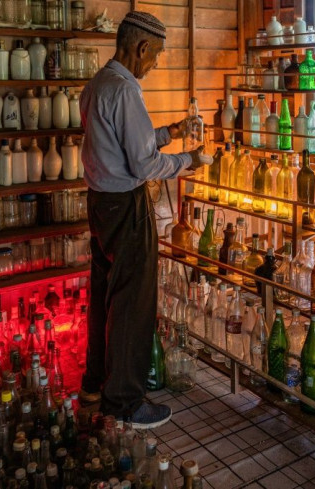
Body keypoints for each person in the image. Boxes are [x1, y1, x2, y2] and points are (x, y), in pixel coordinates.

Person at [78, 10, 205, 429]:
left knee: (106, 298)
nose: (155, 64)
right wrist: (190, 160)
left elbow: (127, 140)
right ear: (142, 47)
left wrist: (171, 131)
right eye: (156, 56)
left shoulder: (98, 84)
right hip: (127, 207)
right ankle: (125, 402)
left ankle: (94, 386)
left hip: (100, 204)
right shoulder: (126, 90)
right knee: (133, 303)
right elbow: (144, 163)